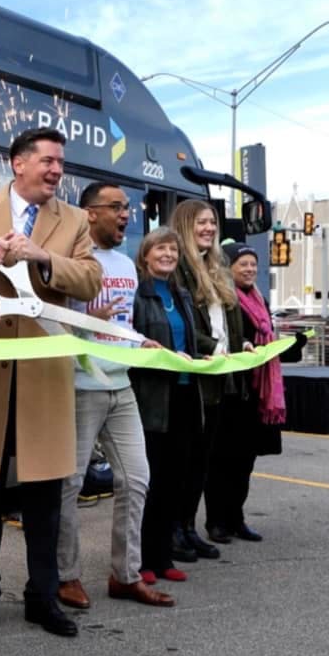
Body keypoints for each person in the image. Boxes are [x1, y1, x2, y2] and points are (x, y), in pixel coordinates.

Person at [0, 127, 101, 638]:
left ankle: (42, 596)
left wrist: (43, 258)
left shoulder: (73, 219)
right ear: (18, 164)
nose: (57, 171)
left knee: (44, 499)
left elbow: (91, 279)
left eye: (60, 163)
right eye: (48, 161)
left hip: (44, 376)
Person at [57, 182, 175, 610]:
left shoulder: (126, 263)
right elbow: (51, 323)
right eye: (116, 207)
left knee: (137, 478)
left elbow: (123, 322)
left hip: (120, 385)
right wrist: (88, 320)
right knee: (69, 484)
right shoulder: (72, 260)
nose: (126, 214)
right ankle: (65, 576)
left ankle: (125, 575)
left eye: (128, 207)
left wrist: (141, 341)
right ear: (90, 213)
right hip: (79, 386)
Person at [209, 242, 308, 543]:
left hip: (256, 393)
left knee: (245, 462)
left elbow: (266, 347)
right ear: (228, 268)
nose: (250, 269)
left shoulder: (259, 300)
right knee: (222, 461)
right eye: (243, 264)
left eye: (253, 264)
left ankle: (236, 517)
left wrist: (293, 345)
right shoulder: (223, 300)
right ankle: (216, 521)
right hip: (230, 392)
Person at [169, 200, 248, 555]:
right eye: (201, 222)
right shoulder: (177, 267)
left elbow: (228, 318)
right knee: (182, 461)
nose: (209, 229)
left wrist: (239, 341)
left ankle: (188, 526)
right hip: (194, 376)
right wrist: (212, 347)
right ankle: (173, 530)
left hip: (220, 376)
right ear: (186, 225)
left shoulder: (217, 266)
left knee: (202, 459)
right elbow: (181, 326)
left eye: (212, 223)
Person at [129, 227, 203, 584]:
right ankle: (142, 561)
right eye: (161, 248)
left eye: (173, 249)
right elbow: (130, 341)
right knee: (151, 481)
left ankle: (163, 557)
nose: (168, 254)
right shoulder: (137, 295)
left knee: (175, 479)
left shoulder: (182, 294)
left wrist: (220, 352)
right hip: (152, 398)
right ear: (145, 255)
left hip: (186, 395)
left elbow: (193, 340)